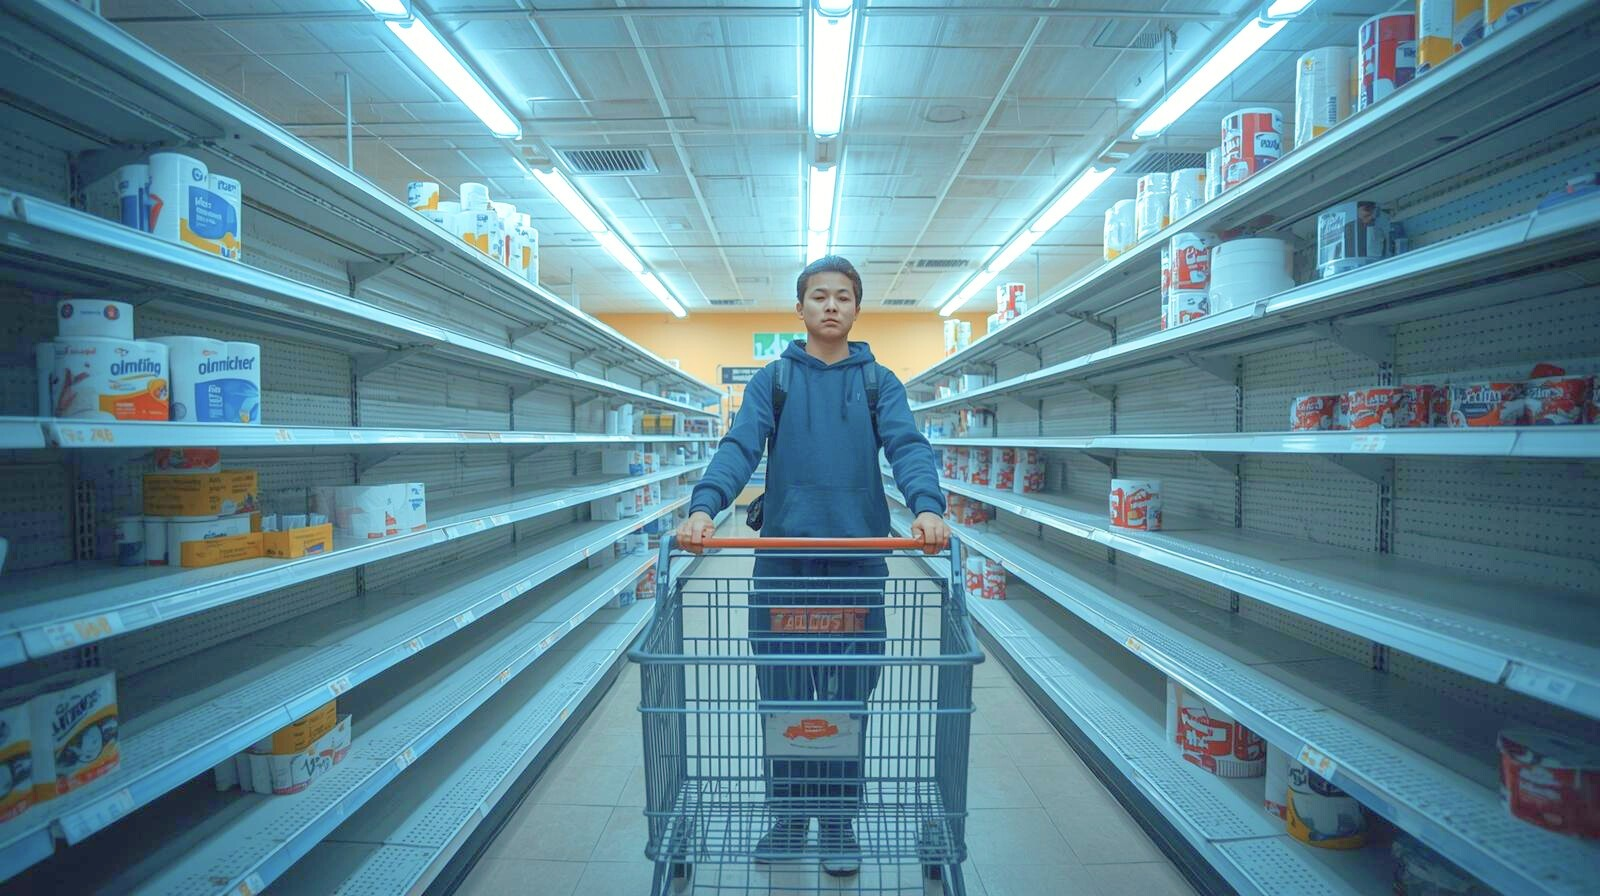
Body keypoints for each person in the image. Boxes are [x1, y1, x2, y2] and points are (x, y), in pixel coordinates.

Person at [677, 255, 949, 878]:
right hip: (784, 567)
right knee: (786, 696)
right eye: (819, 296)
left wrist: (927, 508)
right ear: (799, 309)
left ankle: (838, 820)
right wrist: (704, 507)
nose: (831, 305)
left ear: (857, 308)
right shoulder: (774, 381)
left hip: (858, 569)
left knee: (849, 699)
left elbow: (908, 448)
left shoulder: (880, 383)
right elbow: (740, 447)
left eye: (844, 296)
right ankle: (789, 815)